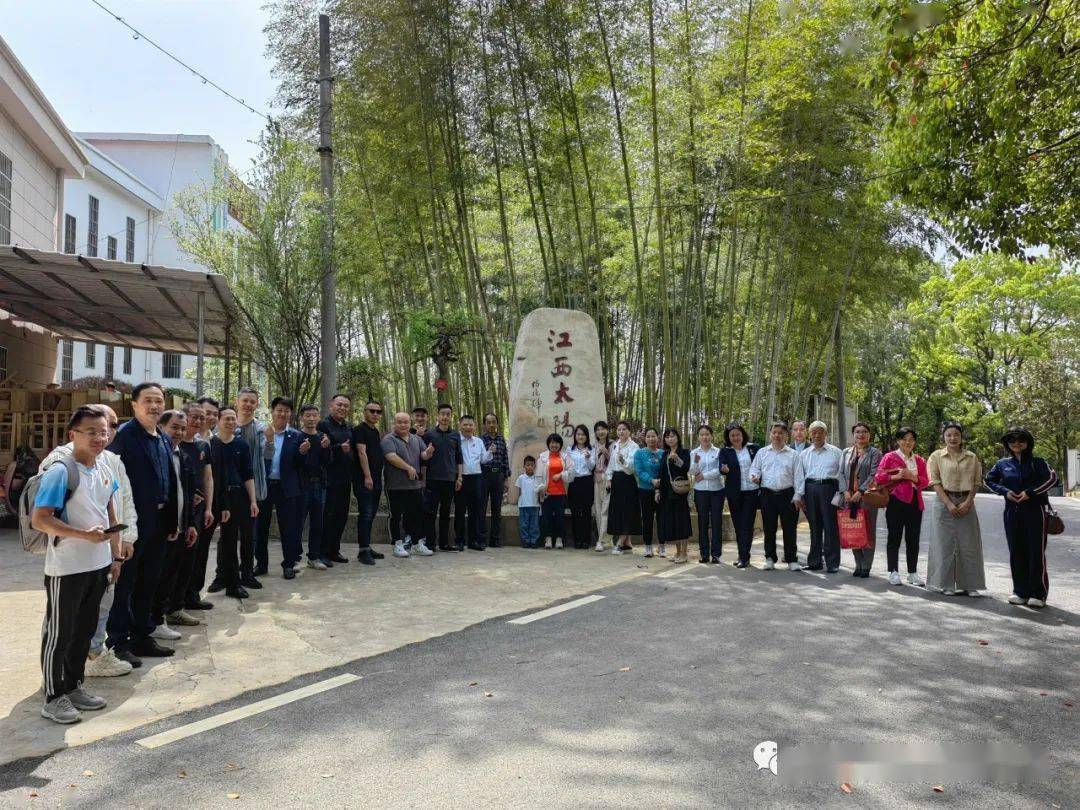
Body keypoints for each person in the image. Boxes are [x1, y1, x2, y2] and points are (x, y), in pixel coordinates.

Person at [32, 406, 129, 724]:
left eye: (104, 431)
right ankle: (53, 696)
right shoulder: (61, 469)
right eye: (92, 432)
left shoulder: (105, 467)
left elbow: (110, 515)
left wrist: (115, 556)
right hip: (67, 567)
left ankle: (73, 686)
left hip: (98, 566)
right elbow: (40, 519)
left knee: (84, 631)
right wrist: (81, 535)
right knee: (59, 634)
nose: (100, 437)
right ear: (73, 434)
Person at [106, 382, 179, 664]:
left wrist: (172, 521)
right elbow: (113, 488)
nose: (154, 406)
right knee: (126, 583)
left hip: (159, 522)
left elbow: (169, 482)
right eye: (147, 400)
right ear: (134, 404)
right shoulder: (124, 437)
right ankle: (118, 641)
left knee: (149, 581)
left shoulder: (160, 436)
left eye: (158, 400)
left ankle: (141, 636)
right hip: (133, 523)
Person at [985, 427, 1057, 608]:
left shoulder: (1038, 462)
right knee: (1016, 551)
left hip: (1035, 511)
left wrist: (1030, 493)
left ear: (1028, 442)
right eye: (1012, 440)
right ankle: (1020, 591)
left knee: (1035, 552)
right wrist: (1005, 492)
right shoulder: (1002, 464)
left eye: (1021, 439)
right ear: (1007, 444)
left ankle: (1038, 594)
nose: (1016, 443)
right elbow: (989, 480)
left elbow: (1051, 478)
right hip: (1012, 512)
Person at [150, 409, 204, 639]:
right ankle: (152, 622)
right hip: (161, 529)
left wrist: (190, 523)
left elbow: (189, 493)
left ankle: (162, 617)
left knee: (171, 574)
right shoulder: (157, 454)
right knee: (156, 576)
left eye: (183, 428)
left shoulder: (182, 455)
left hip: (180, 525)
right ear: (161, 427)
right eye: (174, 427)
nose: (179, 432)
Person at [927, 422, 986, 596]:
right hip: (943, 501)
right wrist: (948, 503)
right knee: (942, 543)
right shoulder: (936, 456)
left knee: (969, 544)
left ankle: (969, 585)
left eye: (956, 435)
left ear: (961, 438)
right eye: (949, 435)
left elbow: (976, 482)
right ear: (943, 437)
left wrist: (968, 501)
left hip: (966, 500)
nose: (952, 438)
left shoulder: (971, 457)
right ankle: (945, 584)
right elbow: (935, 482)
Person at [210, 406, 259, 599]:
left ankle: (247, 574)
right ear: (218, 421)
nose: (230, 422)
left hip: (241, 496)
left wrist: (253, 501)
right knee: (227, 540)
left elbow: (248, 474)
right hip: (222, 497)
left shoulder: (241, 445)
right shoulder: (211, 444)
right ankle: (223, 577)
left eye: (233, 419)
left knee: (247, 537)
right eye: (226, 419)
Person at [257, 397, 306, 580]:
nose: (282, 414)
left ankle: (288, 565)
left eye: (286, 411)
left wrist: (302, 453)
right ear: (272, 411)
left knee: (289, 528)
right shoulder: (262, 432)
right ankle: (261, 564)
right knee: (260, 527)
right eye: (279, 410)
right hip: (264, 486)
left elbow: (300, 465)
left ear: (290, 414)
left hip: (287, 488)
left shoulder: (296, 435)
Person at [875, 427, 929, 587]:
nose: (908, 442)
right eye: (904, 439)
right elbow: (879, 477)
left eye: (911, 439)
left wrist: (914, 477)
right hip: (895, 501)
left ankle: (912, 573)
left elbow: (926, 481)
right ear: (898, 441)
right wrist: (896, 476)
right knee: (894, 537)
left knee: (913, 539)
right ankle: (893, 572)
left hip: (914, 502)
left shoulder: (919, 460)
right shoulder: (890, 457)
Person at [749, 421, 804, 572]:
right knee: (769, 528)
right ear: (770, 434)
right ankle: (769, 558)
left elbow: (799, 477)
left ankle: (792, 559)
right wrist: (754, 476)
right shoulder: (762, 452)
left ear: (786, 435)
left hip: (788, 494)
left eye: (781, 433)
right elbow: (754, 469)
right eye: (774, 432)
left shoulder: (793, 455)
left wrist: (798, 495)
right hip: (767, 494)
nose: (777, 435)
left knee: (790, 528)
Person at [381, 411, 434, 558]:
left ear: (410, 423)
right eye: (399, 422)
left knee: (417, 515)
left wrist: (428, 453)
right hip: (395, 485)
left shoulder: (416, 438)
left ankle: (417, 544)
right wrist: (408, 467)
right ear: (394, 423)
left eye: (406, 422)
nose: (403, 425)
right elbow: (390, 456)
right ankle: (397, 544)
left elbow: (423, 454)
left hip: (414, 485)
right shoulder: (388, 439)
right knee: (396, 516)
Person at [797, 420, 844, 573]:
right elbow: (800, 476)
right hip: (810, 489)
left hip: (829, 488)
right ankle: (814, 561)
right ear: (809, 435)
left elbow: (843, 475)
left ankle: (832, 563)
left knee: (830, 526)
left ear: (826, 434)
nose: (817, 435)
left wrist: (842, 494)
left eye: (820, 432)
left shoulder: (836, 452)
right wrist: (801, 495)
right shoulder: (804, 454)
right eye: (814, 432)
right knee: (814, 526)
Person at [185, 399, 219, 611]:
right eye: (195, 416)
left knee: (199, 553)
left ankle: (192, 595)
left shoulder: (203, 445)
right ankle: (173, 602)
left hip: (200, 510)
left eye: (202, 417)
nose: (199, 420)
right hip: (180, 510)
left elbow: (208, 478)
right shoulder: (172, 442)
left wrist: (208, 507)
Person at [839, 422, 882, 578]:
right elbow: (840, 474)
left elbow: (874, 475)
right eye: (858, 432)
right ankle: (858, 564)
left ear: (869, 435)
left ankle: (866, 565)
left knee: (868, 531)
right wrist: (845, 491)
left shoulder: (875, 453)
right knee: (853, 530)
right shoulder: (845, 452)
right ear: (854, 434)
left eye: (864, 432)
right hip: (848, 497)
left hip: (867, 497)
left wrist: (861, 491)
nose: (861, 434)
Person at [318, 394, 355, 565]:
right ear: (331, 405)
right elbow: (321, 451)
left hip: (345, 479)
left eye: (346, 406)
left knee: (341, 515)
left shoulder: (348, 427)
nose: (343, 408)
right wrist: (340, 448)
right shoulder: (323, 425)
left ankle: (334, 550)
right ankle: (322, 552)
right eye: (339, 405)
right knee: (328, 516)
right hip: (328, 479)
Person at [296, 404, 332, 570]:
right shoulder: (296, 436)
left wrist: (326, 449)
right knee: (298, 522)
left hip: (320, 485)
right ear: (301, 417)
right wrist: (302, 452)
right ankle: (294, 558)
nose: (311, 418)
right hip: (302, 485)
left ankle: (314, 557)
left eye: (314, 415)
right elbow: (293, 463)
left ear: (319, 417)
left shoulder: (323, 436)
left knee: (318, 523)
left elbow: (327, 462)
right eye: (308, 415)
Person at [424, 404, 463, 552]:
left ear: (451, 416)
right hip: (433, 479)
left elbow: (459, 458)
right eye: (442, 414)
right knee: (431, 512)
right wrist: (423, 479)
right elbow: (424, 458)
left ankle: (444, 543)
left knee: (446, 513)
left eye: (448, 414)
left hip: (450, 479)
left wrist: (459, 477)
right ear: (437, 416)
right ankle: (430, 543)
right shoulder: (430, 434)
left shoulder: (455, 435)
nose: (445, 417)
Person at [719, 423, 759, 569]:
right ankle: (742, 554)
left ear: (743, 435)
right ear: (728, 437)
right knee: (738, 525)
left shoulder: (754, 448)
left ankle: (744, 556)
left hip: (752, 491)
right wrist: (724, 469)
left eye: (738, 434)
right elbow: (721, 467)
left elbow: (761, 466)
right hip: (734, 493)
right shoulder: (725, 451)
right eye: (732, 435)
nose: (735, 437)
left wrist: (759, 477)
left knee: (747, 524)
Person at [353, 400, 386, 566]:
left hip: (375, 480)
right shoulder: (359, 430)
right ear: (364, 412)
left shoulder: (375, 431)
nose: (375, 414)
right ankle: (363, 551)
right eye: (372, 411)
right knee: (365, 514)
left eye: (378, 412)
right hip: (365, 480)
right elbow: (361, 452)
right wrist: (367, 476)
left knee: (371, 514)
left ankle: (366, 546)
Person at [457, 415, 493, 550]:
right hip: (461, 478)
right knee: (460, 511)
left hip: (477, 478)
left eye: (470, 425)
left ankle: (474, 541)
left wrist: (490, 452)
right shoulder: (456, 440)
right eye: (465, 425)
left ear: (475, 426)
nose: (468, 427)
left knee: (475, 511)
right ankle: (460, 541)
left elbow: (484, 459)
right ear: (460, 425)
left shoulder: (478, 441)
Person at [689, 425, 724, 564]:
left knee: (716, 522)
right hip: (701, 491)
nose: (705, 437)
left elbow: (720, 470)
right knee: (702, 522)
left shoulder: (718, 452)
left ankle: (716, 554)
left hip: (717, 490)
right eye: (702, 434)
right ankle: (704, 554)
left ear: (712, 436)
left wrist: (704, 475)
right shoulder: (694, 453)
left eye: (707, 434)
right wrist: (696, 462)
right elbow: (692, 471)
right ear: (698, 437)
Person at [605, 420, 641, 554]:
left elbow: (632, 467)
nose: (621, 432)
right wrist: (609, 478)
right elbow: (611, 464)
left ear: (629, 431)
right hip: (617, 480)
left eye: (624, 429)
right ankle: (627, 542)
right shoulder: (615, 445)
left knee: (628, 510)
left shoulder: (634, 446)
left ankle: (620, 542)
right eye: (619, 429)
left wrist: (623, 461)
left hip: (628, 480)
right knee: (618, 510)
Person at [657, 427, 692, 563]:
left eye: (672, 436)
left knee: (682, 522)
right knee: (673, 523)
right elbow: (661, 474)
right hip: (667, 492)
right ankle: (677, 552)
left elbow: (686, 468)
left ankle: (684, 553)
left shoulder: (684, 452)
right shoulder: (664, 454)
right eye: (667, 437)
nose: (670, 439)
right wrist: (658, 491)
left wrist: (677, 458)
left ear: (678, 437)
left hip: (679, 492)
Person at [537, 433, 574, 549]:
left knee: (560, 517)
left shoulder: (565, 457)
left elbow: (572, 472)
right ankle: (548, 538)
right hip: (547, 493)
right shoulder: (542, 457)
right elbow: (538, 475)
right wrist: (541, 489)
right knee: (546, 517)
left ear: (560, 444)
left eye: (557, 442)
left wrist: (561, 475)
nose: (554, 445)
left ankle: (559, 538)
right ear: (548, 444)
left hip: (561, 493)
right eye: (552, 442)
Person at [480, 413, 510, 548]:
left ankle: (495, 539)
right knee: (482, 508)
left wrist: (506, 478)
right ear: (484, 425)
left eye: (494, 422)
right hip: (484, 475)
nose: (491, 425)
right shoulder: (480, 440)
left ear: (497, 424)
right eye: (488, 422)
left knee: (497, 509)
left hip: (499, 476)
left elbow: (505, 459)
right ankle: (481, 538)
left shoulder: (501, 439)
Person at [633, 428, 663, 558]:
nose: (651, 439)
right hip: (645, 490)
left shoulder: (663, 453)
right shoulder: (639, 453)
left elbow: (665, 470)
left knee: (662, 519)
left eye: (653, 436)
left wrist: (660, 482)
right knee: (647, 519)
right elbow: (639, 471)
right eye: (648, 436)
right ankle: (648, 546)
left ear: (658, 438)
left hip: (661, 491)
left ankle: (662, 546)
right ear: (644, 439)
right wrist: (652, 480)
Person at [566, 425, 595, 549]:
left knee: (586, 512)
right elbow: (567, 466)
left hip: (587, 482)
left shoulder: (591, 449)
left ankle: (586, 540)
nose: (580, 436)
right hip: (574, 482)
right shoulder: (569, 450)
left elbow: (591, 467)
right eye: (578, 434)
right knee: (575, 512)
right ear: (575, 436)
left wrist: (588, 458)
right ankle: (577, 540)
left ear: (587, 436)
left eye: (583, 434)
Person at [592, 421, 612, 552]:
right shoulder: (593, 446)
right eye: (598, 430)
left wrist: (607, 453)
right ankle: (604, 539)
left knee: (605, 510)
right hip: (596, 480)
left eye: (603, 429)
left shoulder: (613, 444)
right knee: (598, 510)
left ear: (607, 430)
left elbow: (615, 463)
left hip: (607, 480)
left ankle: (601, 540)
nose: (600, 432)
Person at [516, 456, 541, 548]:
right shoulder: (521, 478)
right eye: (528, 465)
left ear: (535, 466)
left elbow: (539, 491)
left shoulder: (537, 478)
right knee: (524, 524)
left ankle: (534, 540)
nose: (530, 467)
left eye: (532, 465)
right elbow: (519, 491)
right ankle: (525, 540)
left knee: (534, 524)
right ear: (524, 466)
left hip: (534, 505)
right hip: (523, 505)